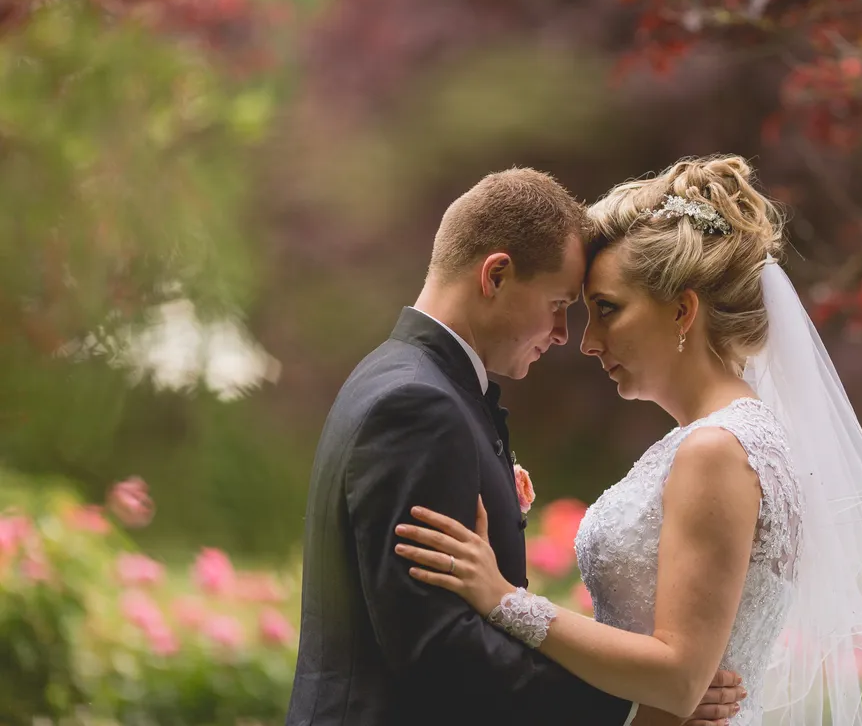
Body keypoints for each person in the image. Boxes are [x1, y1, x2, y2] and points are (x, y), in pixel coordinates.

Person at [394, 156, 862, 726]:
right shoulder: (718, 439)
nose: (587, 342)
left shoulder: (717, 450)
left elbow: (679, 677)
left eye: (607, 310)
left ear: (683, 310)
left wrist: (503, 600)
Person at [285, 168, 745, 726]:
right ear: (496, 275)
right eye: (558, 304)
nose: (563, 334)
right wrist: (633, 710)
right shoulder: (416, 406)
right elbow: (437, 648)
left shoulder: (407, 381)